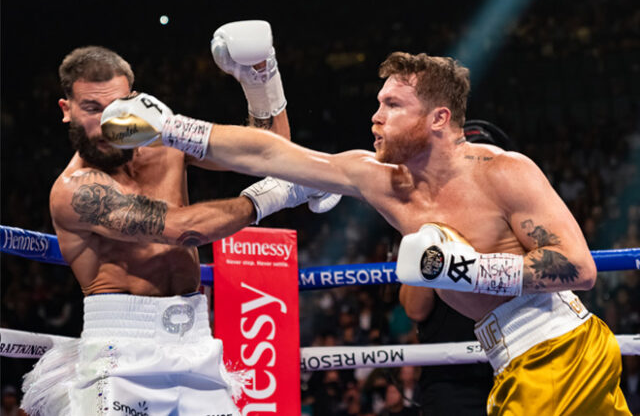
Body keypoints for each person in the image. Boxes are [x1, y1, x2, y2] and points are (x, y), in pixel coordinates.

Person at [102, 42, 632, 413]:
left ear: (439, 119)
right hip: (512, 357)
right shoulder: (378, 179)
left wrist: (473, 270)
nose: (375, 115)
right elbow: (274, 153)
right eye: (379, 102)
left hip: (560, 349)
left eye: (393, 105)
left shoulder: (502, 171)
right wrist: (173, 128)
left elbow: (579, 268)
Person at [20, 35, 341, 416]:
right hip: (120, 353)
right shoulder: (76, 190)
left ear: (135, 100)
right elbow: (180, 229)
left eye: (116, 106)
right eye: (92, 108)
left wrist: (260, 78)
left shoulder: (165, 141)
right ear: (66, 109)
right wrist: (272, 196)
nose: (106, 121)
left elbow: (268, 149)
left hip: (195, 341)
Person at [398, 121, 509, 416]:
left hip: (513, 361)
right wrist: (431, 237)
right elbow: (415, 310)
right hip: (451, 374)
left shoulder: (513, 216)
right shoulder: (428, 222)